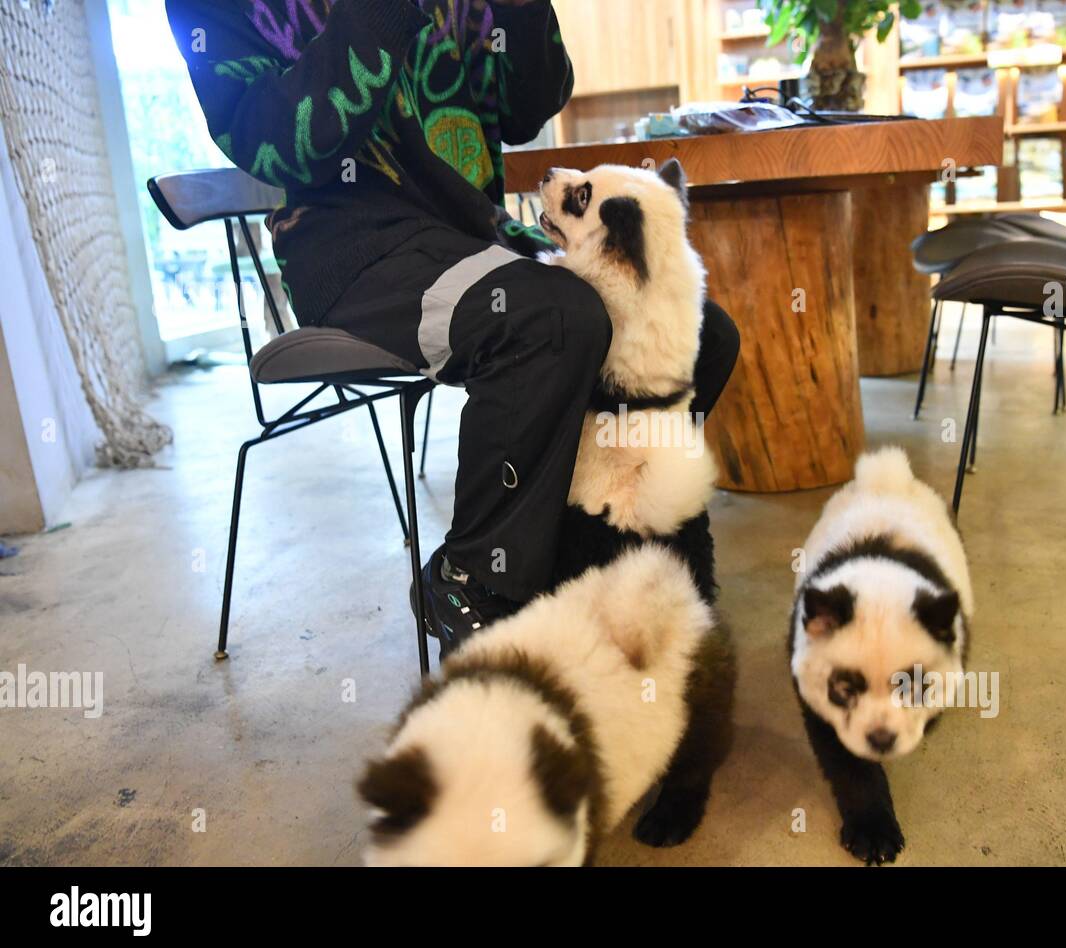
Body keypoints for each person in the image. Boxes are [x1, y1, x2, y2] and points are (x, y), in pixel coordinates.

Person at [167, 0, 739, 653]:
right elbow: (281, 146)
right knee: (554, 319)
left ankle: (586, 545)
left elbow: (530, 108)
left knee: (703, 339)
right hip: (356, 255)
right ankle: (474, 577)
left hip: (476, 235)